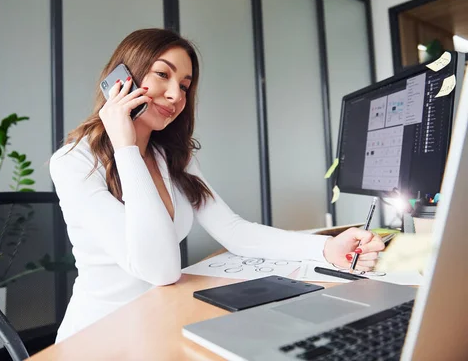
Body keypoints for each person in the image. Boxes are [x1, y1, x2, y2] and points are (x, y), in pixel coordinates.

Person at [49, 28, 384, 342]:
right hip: (99, 335)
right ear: (123, 80)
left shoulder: (172, 157)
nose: (175, 95)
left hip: (159, 319)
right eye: (163, 75)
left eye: (184, 84)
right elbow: (160, 269)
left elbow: (234, 231)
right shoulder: (74, 162)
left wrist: (325, 248)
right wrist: (125, 148)